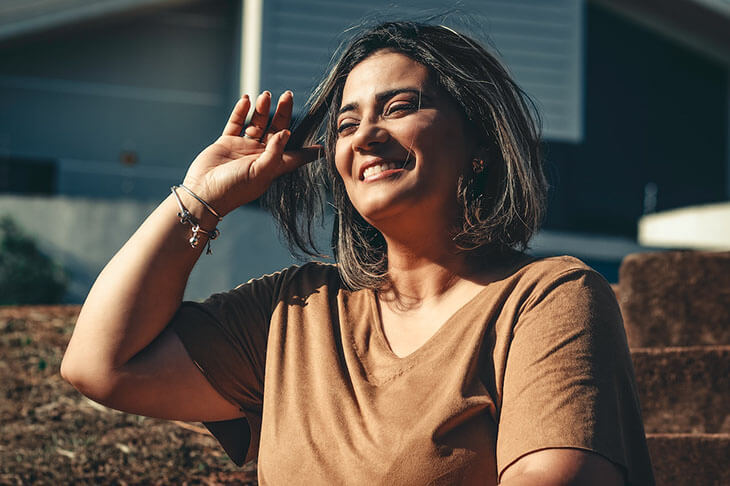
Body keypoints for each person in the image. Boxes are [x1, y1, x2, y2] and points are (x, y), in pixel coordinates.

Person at [61, 21, 655, 485]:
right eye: (347, 123)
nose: (367, 135)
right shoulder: (295, 311)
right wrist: (200, 198)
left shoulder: (546, 297)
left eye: (399, 108)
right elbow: (103, 365)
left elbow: (559, 476)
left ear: (479, 141)